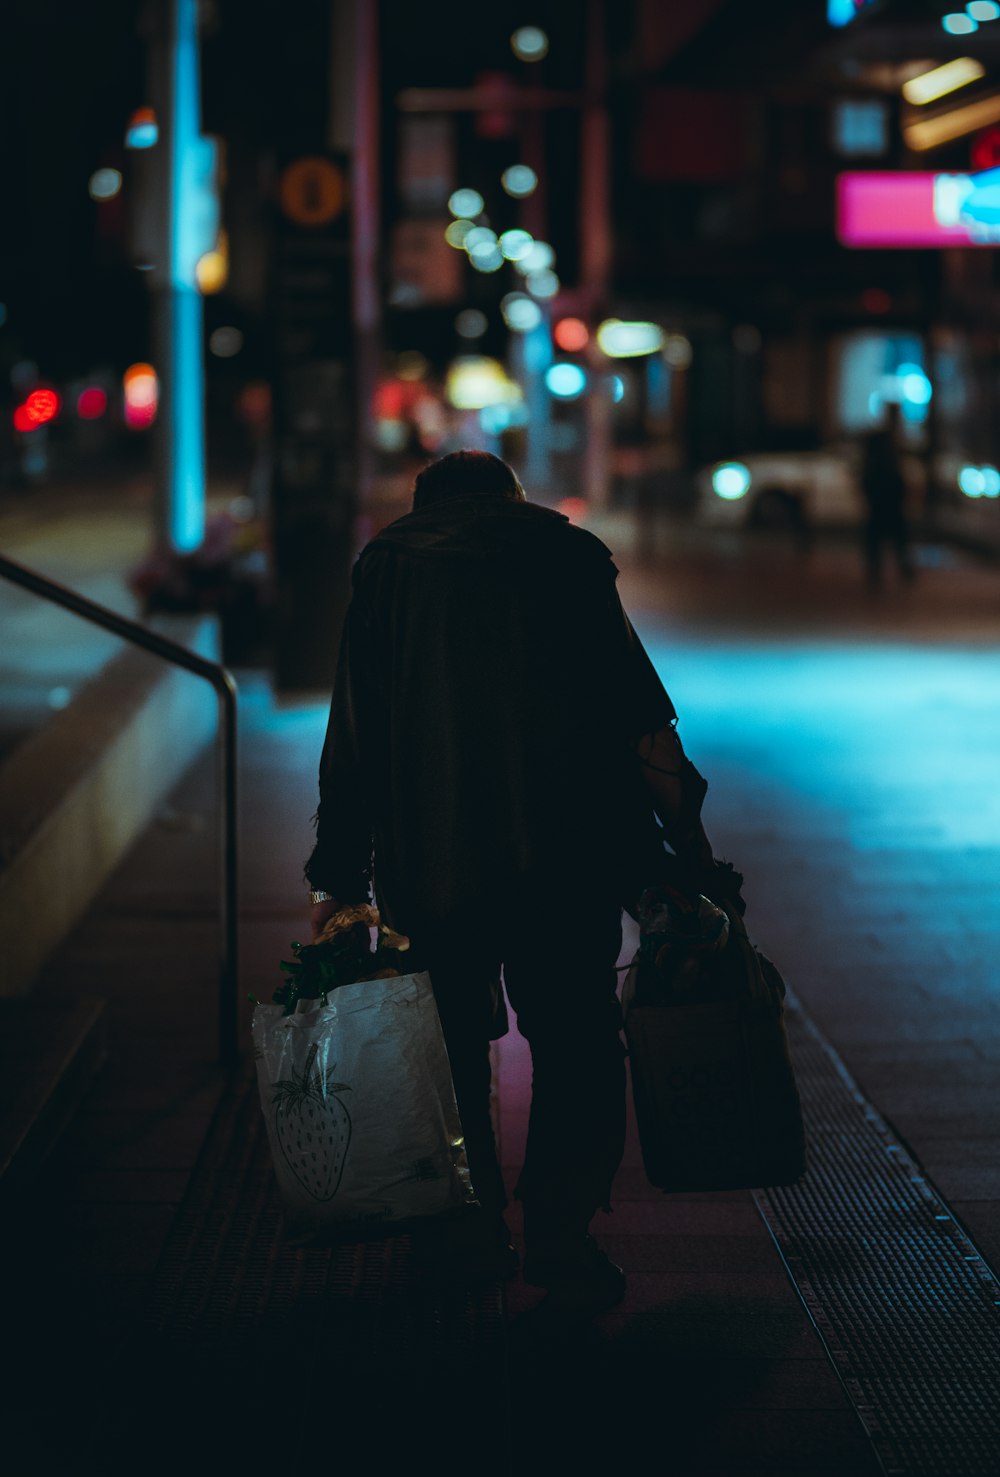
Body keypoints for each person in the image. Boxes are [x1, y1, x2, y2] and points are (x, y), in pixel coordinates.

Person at [304, 450, 725, 1312]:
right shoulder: (570, 557)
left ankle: (469, 1235)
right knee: (576, 1049)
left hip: (435, 862)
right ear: (513, 502)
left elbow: (356, 733)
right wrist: (689, 851)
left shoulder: (388, 566)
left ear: (426, 507)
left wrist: (339, 878)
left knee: (447, 1054)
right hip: (568, 862)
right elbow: (643, 723)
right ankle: (561, 1236)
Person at [860, 402, 915, 589]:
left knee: (892, 533)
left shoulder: (892, 439)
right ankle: (879, 570)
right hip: (883, 493)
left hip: (887, 493)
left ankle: (892, 569)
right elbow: (872, 468)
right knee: (885, 533)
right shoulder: (882, 439)